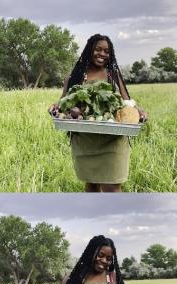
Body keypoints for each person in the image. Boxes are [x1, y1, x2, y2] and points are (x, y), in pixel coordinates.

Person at [49, 34, 147, 193]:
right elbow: (63, 102)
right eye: (98, 49)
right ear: (89, 50)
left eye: (106, 51)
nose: (102, 54)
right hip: (85, 140)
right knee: (91, 184)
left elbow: (127, 102)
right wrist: (54, 108)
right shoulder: (75, 77)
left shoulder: (113, 75)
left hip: (113, 138)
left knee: (112, 187)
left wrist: (138, 110)